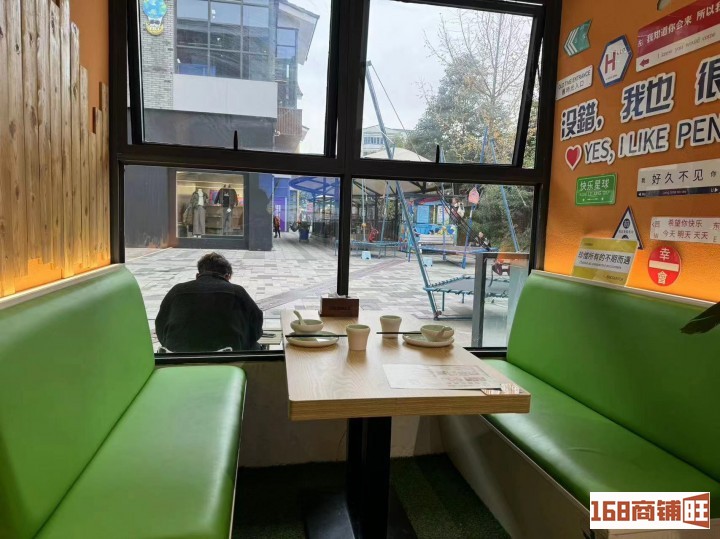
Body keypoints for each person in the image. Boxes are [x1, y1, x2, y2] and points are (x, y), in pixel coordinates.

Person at [155, 252, 263, 352]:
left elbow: (160, 326)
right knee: (255, 348)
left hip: (177, 358)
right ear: (227, 276)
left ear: (197, 275)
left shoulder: (177, 291)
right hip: (227, 359)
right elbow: (256, 327)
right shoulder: (237, 292)